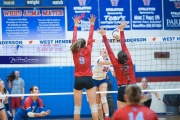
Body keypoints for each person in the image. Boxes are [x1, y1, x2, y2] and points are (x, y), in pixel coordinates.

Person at [98, 21, 136, 109]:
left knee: (122, 113)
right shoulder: (129, 61)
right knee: (133, 113)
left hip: (122, 89)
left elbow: (109, 50)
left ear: (118, 58)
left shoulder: (115, 64)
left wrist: (104, 35)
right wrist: (121, 30)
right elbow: (124, 45)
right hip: (133, 89)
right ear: (127, 56)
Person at [70, 14, 98, 120]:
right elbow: (90, 37)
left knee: (77, 107)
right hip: (88, 78)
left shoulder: (74, 51)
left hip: (78, 79)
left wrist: (76, 24)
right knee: (93, 106)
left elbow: (74, 37)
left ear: (77, 44)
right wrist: (92, 23)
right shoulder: (88, 50)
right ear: (85, 45)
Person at [92, 48, 113, 120]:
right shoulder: (99, 58)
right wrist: (114, 61)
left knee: (103, 99)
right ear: (100, 52)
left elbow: (113, 73)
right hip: (94, 81)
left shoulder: (109, 61)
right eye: (102, 49)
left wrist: (115, 71)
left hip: (103, 80)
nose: (104, 50)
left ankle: (107, 116)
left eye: (106, 49)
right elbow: (102, 63)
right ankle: (100, 118)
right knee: (97, 104)